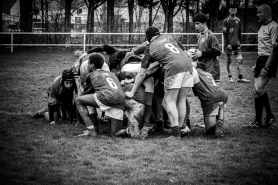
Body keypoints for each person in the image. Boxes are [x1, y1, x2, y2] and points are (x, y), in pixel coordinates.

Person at [126, 26, 193, 139]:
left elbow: (142, 73)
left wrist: (132, 92)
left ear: (148, 38)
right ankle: (181, 129)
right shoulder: (170, 36)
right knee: (181, 100)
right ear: (159, 34)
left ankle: (175, 134)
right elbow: (187, 53)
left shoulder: (150, 47)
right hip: (188, 66)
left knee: (168, 101)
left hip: (174, 68)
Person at [75, 53, 126, 137]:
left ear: (92, 65)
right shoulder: (112, 74)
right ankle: (129, 130)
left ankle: (91, 129)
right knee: (115, 134)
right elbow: (125, 74)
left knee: (79, 100)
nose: (87, 65)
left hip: (107, 97)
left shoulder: (90, 75)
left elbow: (87, 92)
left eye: (88, 63)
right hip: (120, 99)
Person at [245, 4, 277, 128]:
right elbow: (263, 47)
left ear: (267, 13)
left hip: (269, 60)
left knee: (259, 88)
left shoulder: (274, 27)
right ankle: (258, 121)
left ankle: (269, 115)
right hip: (261, 59)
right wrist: (257, 63)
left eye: (259, 12)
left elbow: (275, 49)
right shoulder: (262, 27)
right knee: (255, 91)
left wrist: (267, 65)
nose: (257, 14)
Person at [191, 63, 228, 137]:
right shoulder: (208, 74)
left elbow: (196, 92)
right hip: (222, 94)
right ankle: (220, 120)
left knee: (209, 131)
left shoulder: (194, 73)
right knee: (220, 105)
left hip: (210, 98)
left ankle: (214, 128)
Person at [223, 4, 250, 83]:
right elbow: (225, 33)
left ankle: (240, 78)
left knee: (240, 60)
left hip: (237, 44)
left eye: (234, 9)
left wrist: (240, 42)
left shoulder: (238, 20)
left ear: (236, 10)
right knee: (229, 60)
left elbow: (239, 32)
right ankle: (230, 77)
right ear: (229, 10)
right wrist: (227, 43)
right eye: (231, 9)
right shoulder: (226, 21)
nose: (233, 11)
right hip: (229, 45)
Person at [192, 13, 222, 83]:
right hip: (203, 68)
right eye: (194, 24)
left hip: (212, 71)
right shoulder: (199, 36)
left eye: (197, 24)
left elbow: (217, 51)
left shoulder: (211, 36)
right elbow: (201, 51)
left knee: (212, 92)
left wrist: (202, 53)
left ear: (204, 23)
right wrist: (196, 53)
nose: (195, 26)